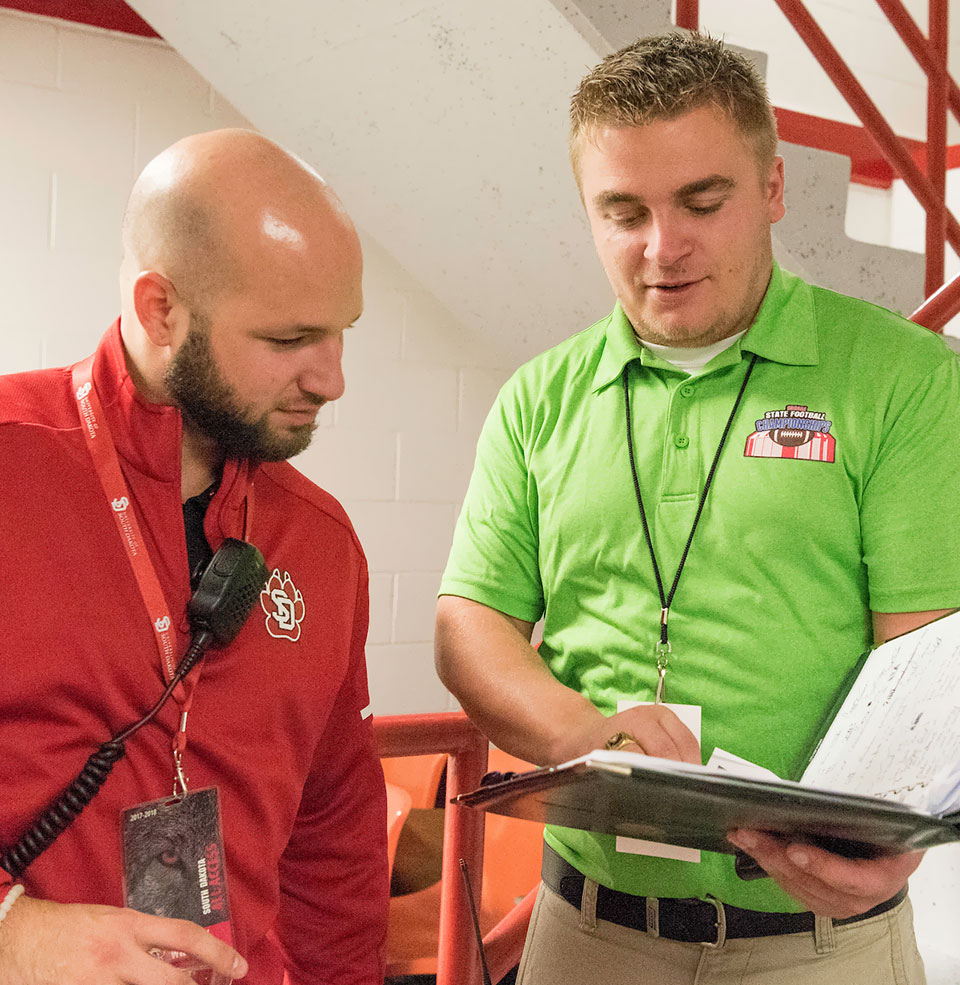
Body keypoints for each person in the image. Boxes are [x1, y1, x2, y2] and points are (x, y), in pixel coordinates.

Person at [435, 33, 960, 985]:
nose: (662, 247)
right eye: (623, 211)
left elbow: (926, 663)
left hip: (819, 944)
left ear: (772, 190)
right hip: (588, 933)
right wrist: (574, 732)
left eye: (702, 203)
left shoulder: (907, 380)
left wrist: (896, 831)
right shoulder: (538, 399)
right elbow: (470, 622)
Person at [0, 129, 387, 984]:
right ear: (159, 308)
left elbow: (334, 850)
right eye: (290, 340)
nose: (331, 378)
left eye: (341, 332)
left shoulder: (322, 544)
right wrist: (13, 935)